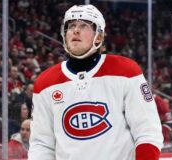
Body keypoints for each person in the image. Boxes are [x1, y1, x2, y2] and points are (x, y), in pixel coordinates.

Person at [28, 4, 163, 160]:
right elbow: (42, 144)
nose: (75, 30)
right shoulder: (45, 83)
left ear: (99, 36)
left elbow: (147, 131)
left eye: (84, 25)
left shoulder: (126, 71)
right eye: (71, 26)